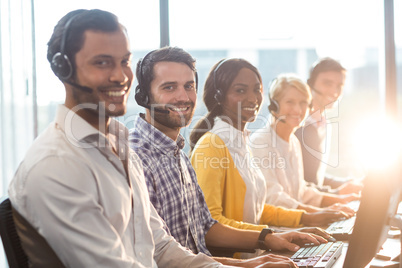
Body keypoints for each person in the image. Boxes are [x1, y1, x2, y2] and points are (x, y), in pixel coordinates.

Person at [8, 9, 243, 268]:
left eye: (124, 62)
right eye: (102, 62)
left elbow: (161, 248)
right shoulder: (57, 164)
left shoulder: (118, 144)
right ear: (64, 68)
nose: (120, 76)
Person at [129, 47, 328, 266]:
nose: (183, 97)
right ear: (143, 96)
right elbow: (162, 254)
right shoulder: (136, 158)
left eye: (188, 86)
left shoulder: (178, 155)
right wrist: (249, 262)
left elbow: (206, 228)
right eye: (169, 87)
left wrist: (269, 237)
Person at [189, 58, 352, 237]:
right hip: (240, 258)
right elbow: (210, 225)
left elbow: (258, 209)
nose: (252, 98)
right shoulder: (211, 146)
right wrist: (268, 236)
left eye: (257, 90)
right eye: (240, 90)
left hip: (255, 250)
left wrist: (306, 218)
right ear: (219, 96)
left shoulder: (241, 143)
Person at [250, 74, 359, 213]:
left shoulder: (293, 142)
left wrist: (341, 200)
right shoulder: (260, 143)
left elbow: (301, 191)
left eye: (303, 103)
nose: (298, 110)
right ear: (274, 106)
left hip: (294, 223)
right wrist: (318, 213)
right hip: (275, 230)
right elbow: (273, 198)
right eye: (290, 102)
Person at [294, 58, 363, 194]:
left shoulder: (324, 125)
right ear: (310, 85)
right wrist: (336, 193)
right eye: (327, 83)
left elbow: (314, 177)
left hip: (316, 203)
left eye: (339, 86)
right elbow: (296, 182)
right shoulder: (296, 126)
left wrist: (347, 183)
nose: (334, 91)